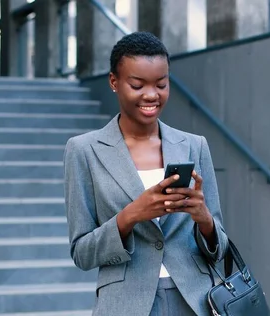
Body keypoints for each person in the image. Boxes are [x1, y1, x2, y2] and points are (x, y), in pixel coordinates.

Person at [63, 31, 229, 316]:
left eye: (161, 84)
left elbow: (221, 247)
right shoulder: (84, 150)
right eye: (137, 85)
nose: (151, 95)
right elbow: (82, 252)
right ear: (114, 82)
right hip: (126, 304)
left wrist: (204, 219)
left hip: (195, 301)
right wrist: (131, 215)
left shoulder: (193, 146)